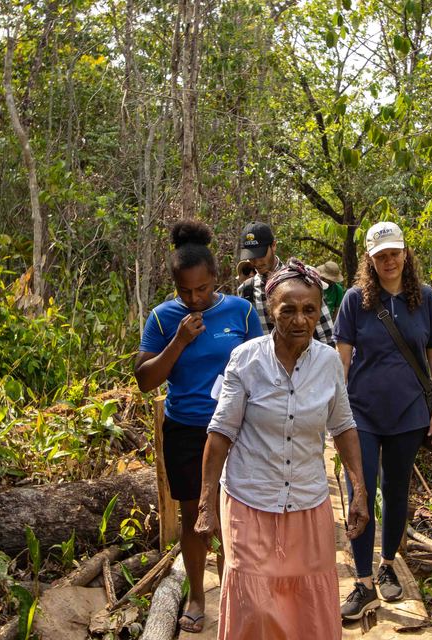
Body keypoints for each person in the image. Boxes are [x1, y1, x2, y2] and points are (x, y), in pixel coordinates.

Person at [195, 258, 369, 640]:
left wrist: (359, 490)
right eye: (288, 310)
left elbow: (343, 427)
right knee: (255, 608)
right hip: (249, 501)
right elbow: (221, 433)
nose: (300, 320)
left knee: (308, 608)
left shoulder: (328, 363)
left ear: (319, 312)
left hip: (308, 503)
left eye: (309, 310)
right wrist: (206, 503)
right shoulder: (246, 359)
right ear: (271, 311)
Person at [134, 220, 263, 633]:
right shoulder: (162, 318)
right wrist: (179, 341)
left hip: (237, 431)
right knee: (193, 515)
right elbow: (145, 380)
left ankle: (232, 594)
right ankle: (195, 594)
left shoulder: (241, 312)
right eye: (185, 291)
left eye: (202, 289)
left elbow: (261, 367)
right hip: (186, 430)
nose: (194, 298)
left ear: (216, 278)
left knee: (233, 513)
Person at [333, 221, 432, 620]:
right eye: (381, 256)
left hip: (409, 413)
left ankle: (386, 566)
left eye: (394, 253)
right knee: (360, 491)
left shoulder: (425, 298)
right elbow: (341, 359)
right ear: (370, 259)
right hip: (361, 413)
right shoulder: (355, 300)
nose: (389, 261)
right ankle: (363, 582)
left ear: (405, 254)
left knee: (397, 492)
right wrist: (336, 412)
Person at [237, 221, 335, 345]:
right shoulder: (247, 291)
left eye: (260, 255)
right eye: (251, 257)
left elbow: (327, 335)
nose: (256, 262)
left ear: (273, 246)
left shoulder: (304, 280)